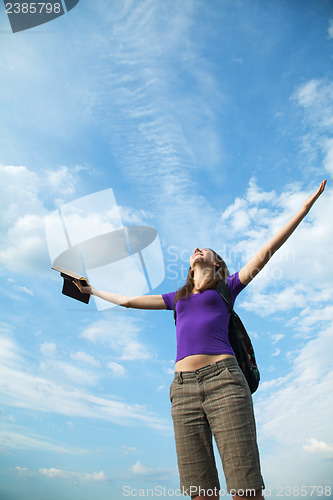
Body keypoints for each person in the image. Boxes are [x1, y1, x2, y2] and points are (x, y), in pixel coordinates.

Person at [74, 180, 327, 500]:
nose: (196, 249)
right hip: (182, 390)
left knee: (245, 489)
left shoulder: (226, 288)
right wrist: (92, 290)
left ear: (217, 263)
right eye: (194, 250)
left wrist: (304, 209)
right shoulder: (176, 297)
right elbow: (127, 301)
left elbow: (265, 253)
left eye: (204, 249)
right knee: (200, 491)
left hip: (225, 382)